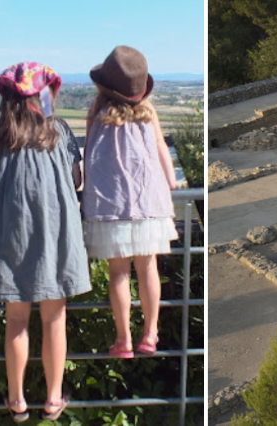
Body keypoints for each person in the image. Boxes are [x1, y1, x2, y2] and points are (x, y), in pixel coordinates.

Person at [0, 62, 91, 422]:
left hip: (12, 238)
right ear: (46, 94)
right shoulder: (59, 131)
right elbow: (77, 179)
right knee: (55, 319)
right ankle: (53, 399)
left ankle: (17, 399)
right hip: (56, 237)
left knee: (17, 322)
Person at [82, 46, 178, 359]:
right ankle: (150, 333)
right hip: (148, 198)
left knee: (118, 273)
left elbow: (89, 156)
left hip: (110, 203)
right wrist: (172, 181)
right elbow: (162, 148)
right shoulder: (149, 113)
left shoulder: (96, 113)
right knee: (148, 267)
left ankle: (123, 339)